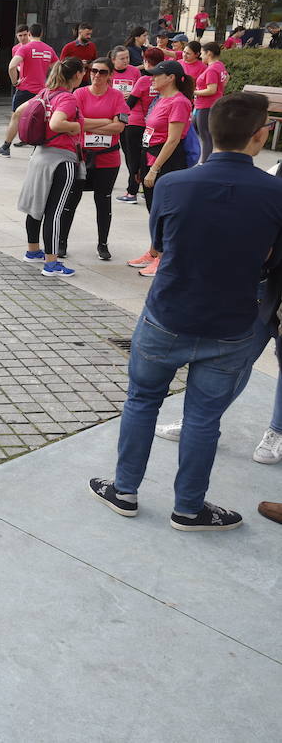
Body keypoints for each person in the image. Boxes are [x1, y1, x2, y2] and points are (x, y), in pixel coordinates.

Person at [90, 93, 282, 532]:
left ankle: (125, 490)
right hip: (231, 323)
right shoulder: (276, 192)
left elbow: (159, 241)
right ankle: (189, 508)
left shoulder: (173, 185)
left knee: (142, 401)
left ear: (206, 131)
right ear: (260, 134)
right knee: (203, 419)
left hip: (168, 314)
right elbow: (273, 262)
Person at [13, 57, 86, 277]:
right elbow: (56, 123)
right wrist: (75, 126)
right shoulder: (68, 98)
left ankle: (33, 251)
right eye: (84, 71)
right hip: (61, 160)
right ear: (77, 75)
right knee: (55, 212)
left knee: (36, 208)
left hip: (39, 157)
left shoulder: (45, 94)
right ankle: (52, 263)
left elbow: (19, 112)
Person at [126, 59, 195, 278]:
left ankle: (164, 257)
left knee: (164, 211)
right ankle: (154, 251)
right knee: (153, 209)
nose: (152, 78)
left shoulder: (179, 102)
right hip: (149, 157)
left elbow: (173, 140)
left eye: (156, 75)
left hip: (167, 162)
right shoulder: (159, 99)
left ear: (171, 78)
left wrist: (155, 169)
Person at [70, 57, 129, 261]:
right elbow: (74, 122)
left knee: (103, 201)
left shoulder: (117, 97)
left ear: (110, 75)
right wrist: (105, 121)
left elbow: (119, 127)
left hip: (108, 158)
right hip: (81, 157)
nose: (96, 75)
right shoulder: (79, 93)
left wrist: (88, 124)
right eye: (93, 70)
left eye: (102, 72)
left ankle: (103, 244)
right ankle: (61, 242)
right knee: (72, 199)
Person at [0, 24, 58, 155]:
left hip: (25, 89)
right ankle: (36, 151)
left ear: (29, 34)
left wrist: (14, 82)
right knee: (40, 120)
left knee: (16, 117)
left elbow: (12, 66)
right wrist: (50, 84)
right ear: (41, 34)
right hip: (42, 91)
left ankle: (5, 148)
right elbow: (58, 69)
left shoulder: (25, 48)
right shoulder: (49, 49)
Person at [115, 46, 163, 205]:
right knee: (147, 157)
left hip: (135, 124)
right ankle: (146, 189)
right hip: (154, 126)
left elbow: (130, 103)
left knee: (132, 159)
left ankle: (131, 192)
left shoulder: (143, 79)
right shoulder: (165, 81)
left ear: (147, 62)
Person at [192, 41, 229, 161]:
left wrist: (194, 92)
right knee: (201, 132)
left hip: (206, 106)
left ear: (209, 53)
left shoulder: (212, 69)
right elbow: (226, 77)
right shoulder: (220, 65)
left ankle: (204, 162)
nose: (201, 56)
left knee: (205, 135)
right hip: (209, 105)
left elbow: (211, 90)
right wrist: (220, 90)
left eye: (202, 53)